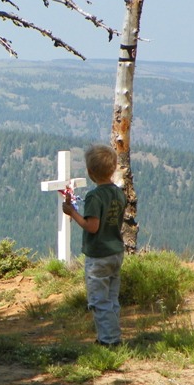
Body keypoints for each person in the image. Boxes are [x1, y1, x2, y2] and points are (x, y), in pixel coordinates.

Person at [62, 144, 127, 347]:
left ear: (90, 172)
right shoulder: (118, 193)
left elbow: (92, 227)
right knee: (112, 298)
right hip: (116, 251)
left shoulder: (94, 197)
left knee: (99, 300)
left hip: (99, 255)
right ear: (114, 167)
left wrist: (72, 212)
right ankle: (112, 335)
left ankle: (108, 341)